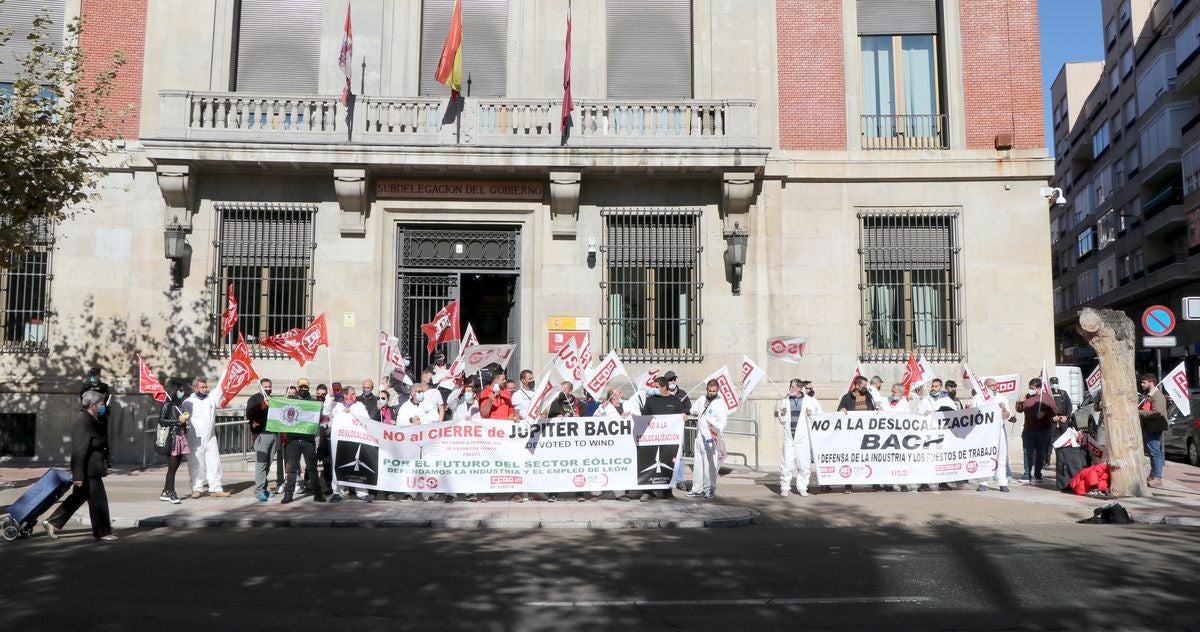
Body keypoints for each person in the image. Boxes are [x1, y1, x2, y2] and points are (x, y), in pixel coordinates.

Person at [43, 391, 116, 541]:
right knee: (99, 501)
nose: (104, 407)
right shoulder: (83, 423)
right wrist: (78, 476)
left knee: (78, 497)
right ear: (93, 405)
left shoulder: (93, 420)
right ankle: (103, 532)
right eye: (102, 404)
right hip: (88, 470)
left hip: (92, 468)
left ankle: (52, 522)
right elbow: (79, 452)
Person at [640, 376, 690, 501]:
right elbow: (645, 416)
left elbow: (681, 416)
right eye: (653, 387)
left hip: (669, 439)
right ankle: (648, 491)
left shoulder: (675, 401)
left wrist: (683, 417)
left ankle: (667, 491)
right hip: (652, 438)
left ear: (664, 388)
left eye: (657, 387)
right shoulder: (650, 400)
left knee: (668, 464)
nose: (654, 389)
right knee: (649, 461)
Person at [180, 378, 230, 498]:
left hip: (211, 438)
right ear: (195, 388)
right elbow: (184, 415)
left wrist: (228, 368)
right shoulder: (189, 402)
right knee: (196, 463)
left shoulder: (211, 398)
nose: (205, 389)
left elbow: (220, 386)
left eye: (205, 387)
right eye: (202, 387)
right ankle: (196, 489)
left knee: (214, 463)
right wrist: (183, 419)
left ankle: (216, 488)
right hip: (195, 439)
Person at [833, 376, 878, 494]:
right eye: (864, 385)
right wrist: (842, 411)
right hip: (852, 434)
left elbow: (873, 410)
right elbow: (838, 412)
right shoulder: (847, 397)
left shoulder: (869, 396)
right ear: (857, 385)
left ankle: (875, 483)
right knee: (850, 458)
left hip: (867, 433)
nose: (866, 388)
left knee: (870, 457)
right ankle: (848, 485)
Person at [778, 379, 821, 497]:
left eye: (792, 387)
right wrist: (782, 414)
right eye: (790, 387)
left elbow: (817, 418)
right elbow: (781, 419)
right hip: (789, 436)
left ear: (799, 388)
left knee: (804, 464)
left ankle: (802, 487)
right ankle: (785, 487)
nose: (790, 389)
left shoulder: (809, 401)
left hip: (803, 437)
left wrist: (811, 415)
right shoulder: (785, 401)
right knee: (787, 463)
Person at [688, 380, 728, 499]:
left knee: (710, 464)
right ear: (707, 389)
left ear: (718, 390)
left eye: (714, 391)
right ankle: (697, 488)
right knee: (698, 463)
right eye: (709, 391)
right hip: (700, 434)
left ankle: (710, 489)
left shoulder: (720, 403)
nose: (711, 393)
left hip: (711, 436)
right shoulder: (702, 399)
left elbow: (723, 421)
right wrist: (693, 411)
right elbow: (693, 408)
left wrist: (717, 433)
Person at [1015, 378, 1058, 483]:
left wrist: (1044, 413)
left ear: (1039, 388)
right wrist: (1020, 401)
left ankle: (1038, 474)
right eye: (1030, 388)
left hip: (1043, 430)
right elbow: (1019, 410)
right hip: (1028, 430)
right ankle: (1027, 475)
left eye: (1033, 388)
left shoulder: (1047, 398)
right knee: (1027, 452)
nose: (1031, 390)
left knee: (1040, 453)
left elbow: (1055, 411)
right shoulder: (1027, 397)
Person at [975, 378, 1013, 493]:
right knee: (982, 456)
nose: (994, 387)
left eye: (996, 385)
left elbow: (1007, 416)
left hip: (998, 431)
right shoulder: (978, 398)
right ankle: (982, 482)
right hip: (982, 432)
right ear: (985, 386)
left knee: (1001, 456)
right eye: (991, 385)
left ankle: (1003, 482)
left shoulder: (1002, 398)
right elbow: (973, 414)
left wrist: (1004, 408)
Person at [246, 378, 279, 502]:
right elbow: (250, 414)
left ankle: (264, 489)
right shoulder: (253, 399)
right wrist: (263, 405)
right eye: (265, 386)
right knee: (261, 464)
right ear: (260, 387)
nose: (268, 389)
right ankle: (259, 490)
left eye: (269, 386)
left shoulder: (274, 399)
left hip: (273, 435)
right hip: (261, 435)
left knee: (268, 463)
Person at [158, 382, 190, 504]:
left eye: (182, 390)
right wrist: (177, 421)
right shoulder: (167, 404)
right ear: (174, 390)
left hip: (181, 435)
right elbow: (161, 420)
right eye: (180, 390)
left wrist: (184, 422)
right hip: (172, 438)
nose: (182, 392)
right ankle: (171, 492)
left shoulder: (179, 404)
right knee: (172, 467)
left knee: (175, 466)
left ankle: (166, 491)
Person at [1138, 373, 1168, 488]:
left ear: (1152, 383)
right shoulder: (1149, 395)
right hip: (1149, 427)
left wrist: (1140, 413)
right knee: (1152, 452)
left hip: (1154, 428)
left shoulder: (1157, 396)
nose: (1142, 384)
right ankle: (1153, 475)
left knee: (1155, 452)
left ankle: (1157, 478)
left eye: (1144, 382)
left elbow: (1157, 412)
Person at [79, 366, 112, 467]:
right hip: (89, 415)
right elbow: (82, 400)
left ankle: (105, 458)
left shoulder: (104, 387)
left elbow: (107, 400)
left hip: (101, 414)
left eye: (96, 374)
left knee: (103, 436)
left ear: (99, 375)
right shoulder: (86, 386)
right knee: (87, 436)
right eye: (92, 375)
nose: (94, 376)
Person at [1046, 376, 1074, 467]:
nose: (1054, 384)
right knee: (1050, 439)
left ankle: (1065, 459)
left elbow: (1069, 406)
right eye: (1052, 383)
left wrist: (1066, 416)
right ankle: (1047, 459)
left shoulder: (1063, 393)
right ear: (1049, 384)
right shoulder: (1047, 395)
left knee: (1065, 439)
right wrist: (1052, 415)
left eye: (1055, 382)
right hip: (1052, 420)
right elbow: (1045, 408)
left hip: (1063, 420)